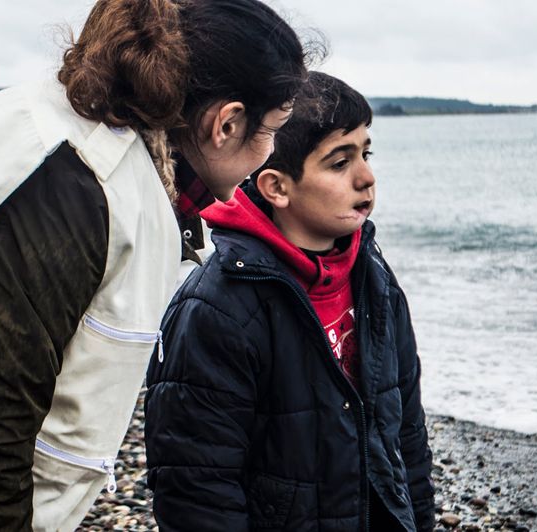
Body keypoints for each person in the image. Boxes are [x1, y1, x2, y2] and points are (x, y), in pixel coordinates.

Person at [0, 1, 310, 530]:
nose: (271, 151)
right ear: (226, 123)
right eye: (273, 129)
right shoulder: (77, 183)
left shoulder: (49, 118)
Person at [145, 71, 435, 531]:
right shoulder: (217, 309)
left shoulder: (374, 278)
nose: (367, 178)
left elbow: (407, 435)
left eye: (366, 153)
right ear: (277, 187)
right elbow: (198, 490)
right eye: (340, 163)